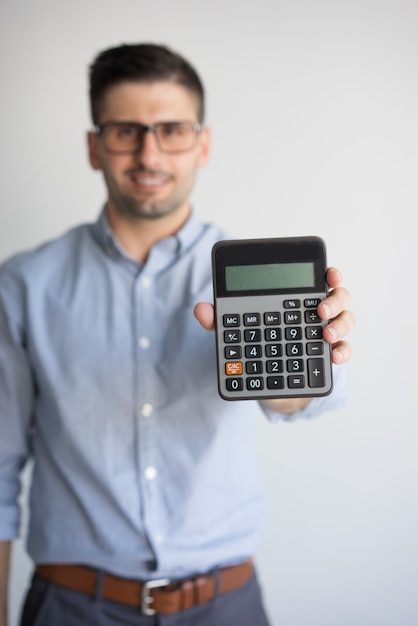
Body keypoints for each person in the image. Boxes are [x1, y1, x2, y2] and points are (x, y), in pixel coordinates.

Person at [0, 43, 354, 626]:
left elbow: (302, 403)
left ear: (202, 144)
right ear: (94, 147)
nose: (149, 152)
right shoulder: (24, 284)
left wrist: (295, 374)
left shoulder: (259, 283)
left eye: (172, 130)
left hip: (226, 607)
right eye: (125, 131)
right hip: (70, 608)